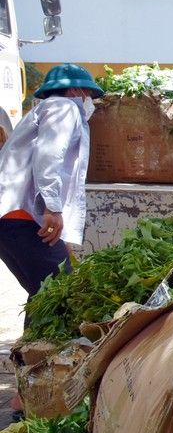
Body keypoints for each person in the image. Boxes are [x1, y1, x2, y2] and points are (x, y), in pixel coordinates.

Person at [0, 64, 101, 310]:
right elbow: (50, 155)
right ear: (77, 90)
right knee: (59, 291)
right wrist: (52, 207)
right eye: (88, 95)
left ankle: (32, 349)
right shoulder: (63, 107)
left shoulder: (43, 110)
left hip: (13, 219)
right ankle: (42, 349)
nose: (89, 102)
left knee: (45, 293)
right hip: (23, 217)